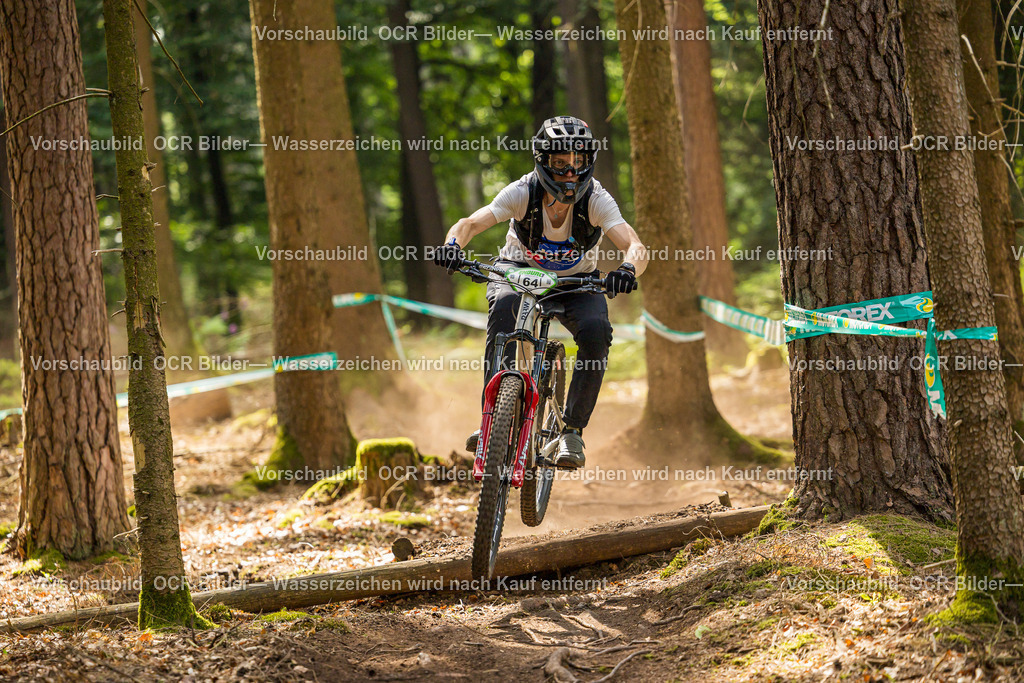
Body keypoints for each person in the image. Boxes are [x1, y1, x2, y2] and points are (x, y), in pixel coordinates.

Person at [432, 115, 648, 469]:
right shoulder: (523, 191)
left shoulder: (597, 199)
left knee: (597, 333)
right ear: (544, 161)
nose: (570, 173)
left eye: (578, 164)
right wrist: (452, 245)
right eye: (561, 164)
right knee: (503, 309)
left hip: (576, 282)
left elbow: (635, 244)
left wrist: (626, 269)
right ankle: (492, 418)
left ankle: (573, 432)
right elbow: (470, 223)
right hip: (518, 273)